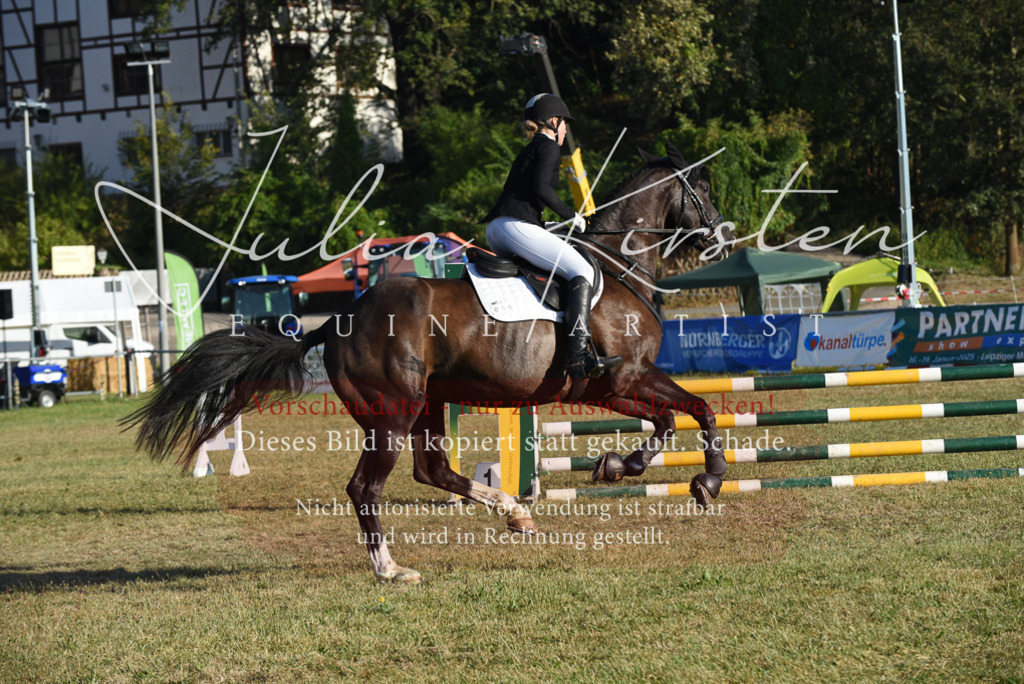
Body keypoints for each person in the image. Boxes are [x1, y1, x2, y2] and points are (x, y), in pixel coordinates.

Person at [483, 93, 621, 380]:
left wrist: (549, 224)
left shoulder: (532, 148)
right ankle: (578, 358)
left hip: (501, 227)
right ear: (554, 122)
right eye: (565, 124)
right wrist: (571, 214)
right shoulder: (547, 146)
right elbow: (542, 189)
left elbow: (526, 198)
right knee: (581, 269)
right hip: (513, 226)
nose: (566, 131)